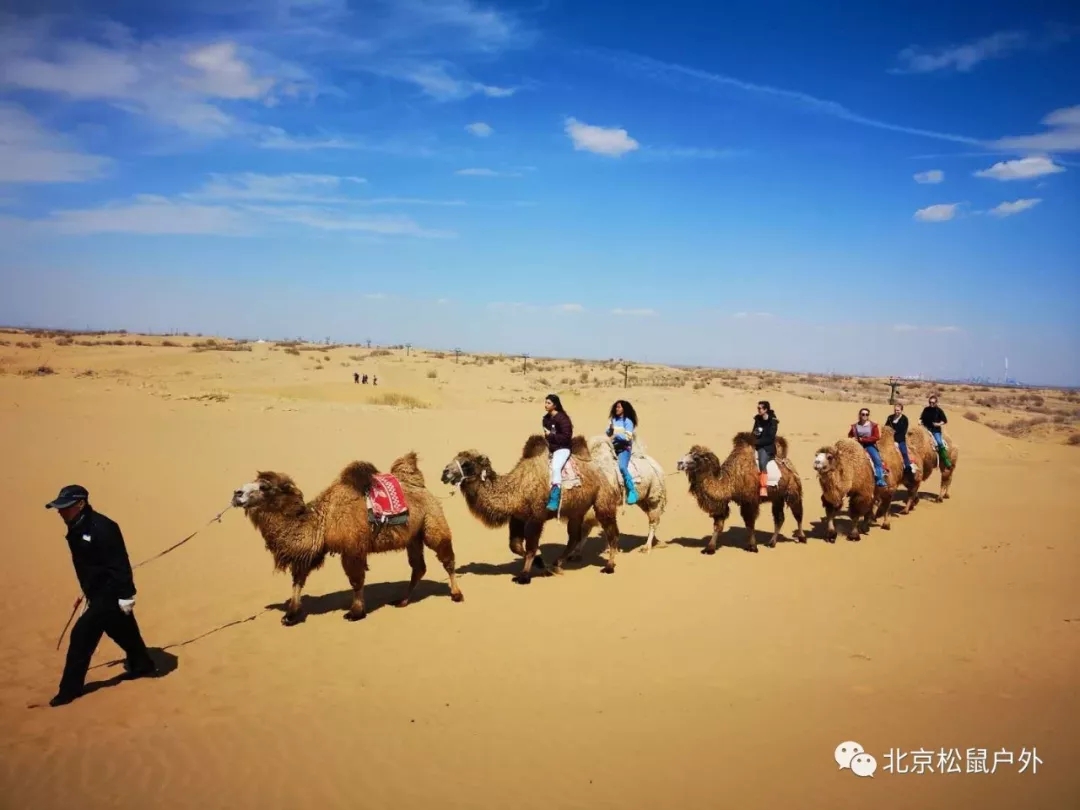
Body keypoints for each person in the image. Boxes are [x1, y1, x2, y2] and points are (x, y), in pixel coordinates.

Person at [45, 485, 157, 707]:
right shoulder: (76, 526)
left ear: (81, 504)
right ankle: (143, 664)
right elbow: (89, 564)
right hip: (95, 591)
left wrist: (126, 595)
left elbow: (120, 563)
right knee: (123, 631)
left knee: (81, 636)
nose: (60, 512)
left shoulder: (104, 528)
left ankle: (69, 690)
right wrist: (85, 588)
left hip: (111, 591)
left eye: (65, 507)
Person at [542, 393, 573, 511]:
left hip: (562, 448)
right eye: (545, 402)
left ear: (555, 405)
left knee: (555, 468)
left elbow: (566, 437)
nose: (546, 405)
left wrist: (551, 436)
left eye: (548, 403)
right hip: (550, 448)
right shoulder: (545, 419)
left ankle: (555, 497)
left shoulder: (563, 419)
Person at [605, 400, 639, 506]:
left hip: (624, 449)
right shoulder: (613, 420)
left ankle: (632, 491)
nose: (617, 409)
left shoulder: (628, 421)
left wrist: (616, 436)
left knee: (622, 467)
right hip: (612, 448)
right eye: (616, 407)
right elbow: (607, 433)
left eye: (619, 407)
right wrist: (610, 430)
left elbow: (628, 437)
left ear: (624, 408)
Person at [849, 408, 887, 488]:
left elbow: (876, 437)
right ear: (860, 415)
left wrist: (864, 439)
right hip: (858, 445)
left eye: (866, 414)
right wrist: (852, 438)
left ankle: (880, 479)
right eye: (863, 414)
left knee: (877, 459)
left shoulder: (873, 425)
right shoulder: (855, 426)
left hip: (869, 445)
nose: (865, 416)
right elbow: (850, 435)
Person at [752, 401, 778, 497]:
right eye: (758, 408)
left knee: (762, 462)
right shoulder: (758, 419)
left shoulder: (773, 421)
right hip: (757, 445)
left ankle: (763, 487)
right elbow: (754, 432)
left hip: (767, 447)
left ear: (765, 409)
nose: (758, 410)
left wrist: (757, 442)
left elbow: (770, 438)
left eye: (760, 408)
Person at [919, 394, 952, 469]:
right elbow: (921, 418)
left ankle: (946, 460)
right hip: (926, 429)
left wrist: (938, 424)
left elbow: (945, 421)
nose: (931, 404)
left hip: (935, 431)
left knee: (939, 442)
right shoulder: (926, 409)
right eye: (930, 402)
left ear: (936, 403)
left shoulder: (939, 411)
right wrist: (920, 421)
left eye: (933, 403)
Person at [885, 403, 914, 472]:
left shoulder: (904, 419)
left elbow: (903, 431)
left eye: (898, 410)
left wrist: (896, 441)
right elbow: (886, 427)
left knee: (904, 452)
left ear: (901, 410)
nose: (896, 412)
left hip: (900, 439)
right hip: (890, 439)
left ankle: (907, 466)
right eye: (895, 410)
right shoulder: (890, 417)